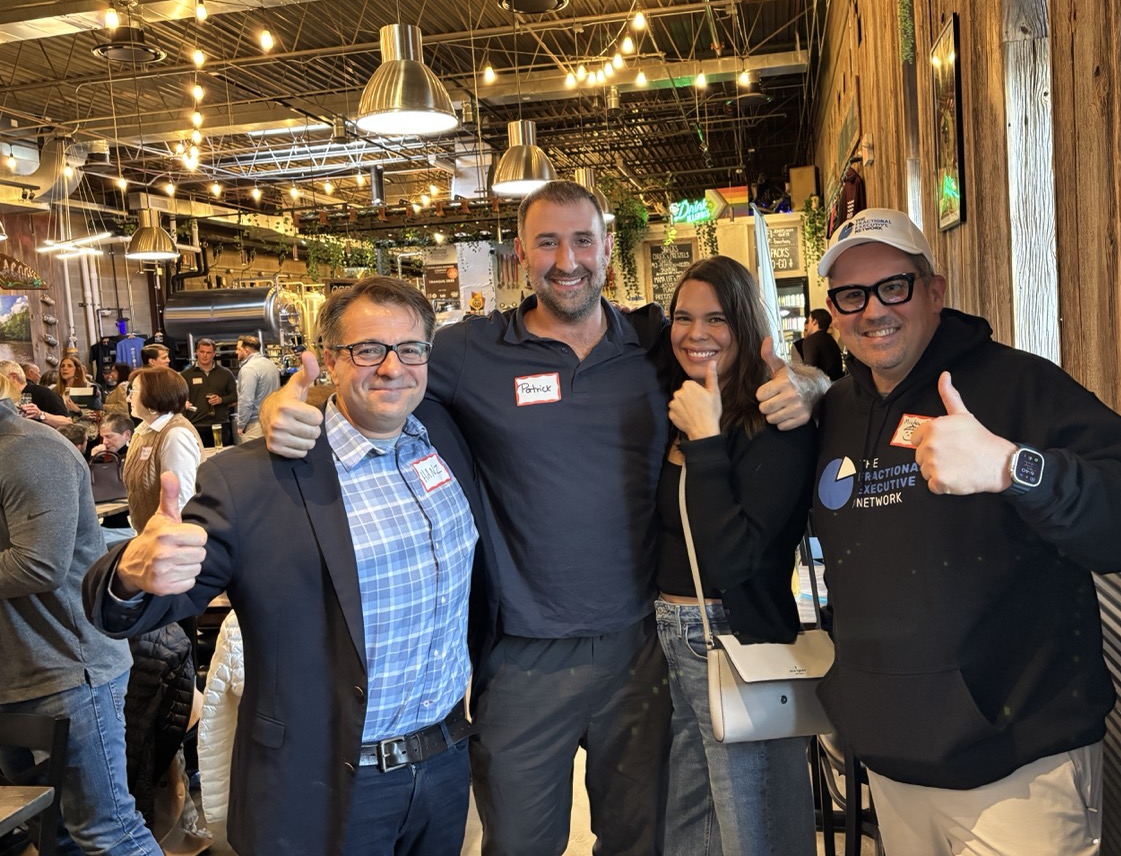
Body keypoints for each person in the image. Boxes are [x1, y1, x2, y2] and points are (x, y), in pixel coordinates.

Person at [260, 180, 824, 856]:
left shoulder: (653, 340)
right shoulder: (471, 351)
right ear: (520, 254)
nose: (567, 260)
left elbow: (748, 358)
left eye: (582, 240)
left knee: (643, 841)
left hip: (640, 652)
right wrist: (290, 404)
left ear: (607, 249)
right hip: (524, 662)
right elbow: (384, 374)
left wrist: (810, 383)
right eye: (547, 243)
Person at [811, 209, 1121, 856]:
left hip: (1018, 771)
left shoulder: (1019, 386)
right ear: (834, 313)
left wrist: (1014, 468)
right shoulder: (836, 409)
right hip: (894, 767)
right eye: (852, 295)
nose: (873, 310)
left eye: (893, 286)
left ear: (934, 291)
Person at [86, 275, 487, 856]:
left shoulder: (445, 440)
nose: (392, 367)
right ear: (331, 360)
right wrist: (129, 574)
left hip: (444, 768)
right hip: (325, 783)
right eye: (368, 349)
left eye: (409, 349)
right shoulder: (254, 479)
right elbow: (132, 608)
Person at [656, 256, 817, 856]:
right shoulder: (679, 400)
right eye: (683, 317)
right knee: (689, 827)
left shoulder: (776, 421)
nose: (696, 333)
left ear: (746, 324)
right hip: (670, 637)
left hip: (736, 635)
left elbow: (735, 561)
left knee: (757, 829)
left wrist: (706, 443)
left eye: (717, 319)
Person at [0, 365, 163, 856]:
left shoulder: (28, 450)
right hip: (17, 673)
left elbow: (37, 565)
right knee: (51, 834)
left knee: (106, 832)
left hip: (65, 673)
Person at [124, 367, 203, 530]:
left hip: (172, 538)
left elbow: (180, 503)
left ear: (154, 396)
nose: (128, 398)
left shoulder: (176, 435)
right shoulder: (142, 431)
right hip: (149, 535)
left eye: (134, 391)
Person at [181, 338, 236, 448]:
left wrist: (221, 400)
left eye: (208, 352)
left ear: (214, 354)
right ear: (196, 352)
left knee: (223, 456)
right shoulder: (185, 375)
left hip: (220, 424)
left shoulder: (225, 373)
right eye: (202, 352)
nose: (205, 355)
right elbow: (179, 399)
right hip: (196, 425)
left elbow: (235, 396)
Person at [232, 334, 280, 442]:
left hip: (256, 425)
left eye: (238, 349)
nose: (236, 352)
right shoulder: (271, 365)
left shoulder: (249, 369)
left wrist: (241, 425)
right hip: (273, 420)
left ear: (247, 351)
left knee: (253, 452)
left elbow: (246, 400)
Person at [0, 359, 71, 427]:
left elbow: (67, 422)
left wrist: (40, 415)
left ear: (13, 377)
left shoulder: (43, 393)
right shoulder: (5, 399)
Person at [796, 308, 844, 381]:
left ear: (815, 321)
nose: (807, 325)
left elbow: (809, 371)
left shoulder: (811, 341)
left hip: (823, 385)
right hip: (837, 383)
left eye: (809, 321)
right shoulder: (830, 339)